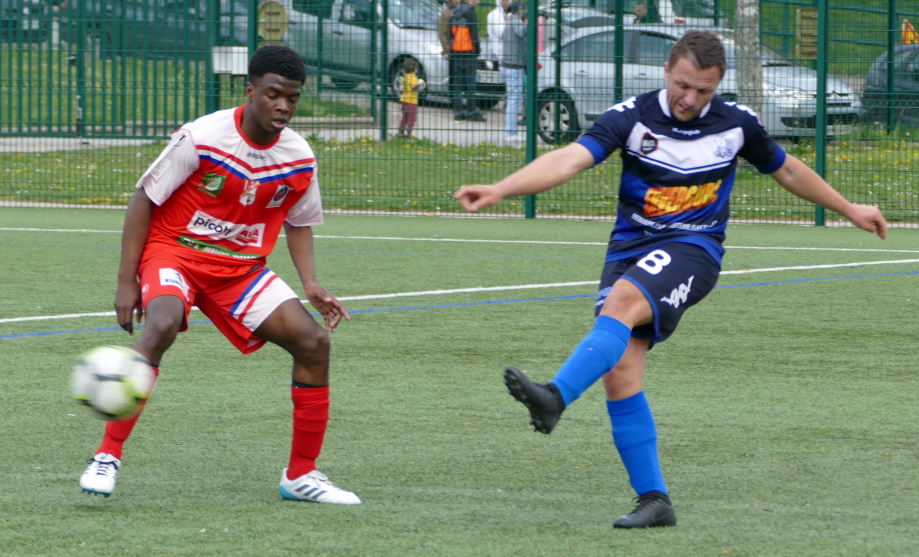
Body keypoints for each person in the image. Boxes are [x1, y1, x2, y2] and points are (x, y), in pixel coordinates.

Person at [454, 30, 887, 528]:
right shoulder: (630, 117)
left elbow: (788, 171)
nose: (689, 99)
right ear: (666, 71)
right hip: (629, 250)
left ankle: (556, 397)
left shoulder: (736, 124)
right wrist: (503, 188)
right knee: (619, 370)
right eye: (683, 85)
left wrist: (850, 208)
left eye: (703, 91)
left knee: (621, 301)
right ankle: (654, 499)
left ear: (717, 85)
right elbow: (571, 157)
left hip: (693, 250)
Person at [78, 45, 361, 506]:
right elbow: (143, 199)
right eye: (273, 94)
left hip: (239, 269)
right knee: (163, 324)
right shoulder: (203, 137)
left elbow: (300, 221)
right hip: (176, 253)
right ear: (250, 91)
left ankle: (301, 475)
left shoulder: (299, 156)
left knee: (314, 342)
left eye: (293, 98)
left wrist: (310, 283)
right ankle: (107, 455)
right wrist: (126, 279)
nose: (284, 106)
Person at [449, 0, 485, 122]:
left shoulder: (455, 11)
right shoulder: (470, 12)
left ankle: (458, 112)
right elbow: (473, 33)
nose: (478, 2)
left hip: (456, 51)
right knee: (470, 84)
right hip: (468, 52)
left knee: (457, 84)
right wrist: (477, 50)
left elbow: (451, 33)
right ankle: (471, 111)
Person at [500, 1, 526, 141]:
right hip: (513, 67)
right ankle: (511, 133)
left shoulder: (510, 22)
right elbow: (522, 32)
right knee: (514, 100)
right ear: (520, 10)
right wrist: (530, 24)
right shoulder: (516, 22)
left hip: (508, 66)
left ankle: (511, 131)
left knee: (513, 99)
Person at [398, 58, 424, 137]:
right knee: (412, 117)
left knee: (405, 117)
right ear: (414, 69)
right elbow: (414, 88)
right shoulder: (413, 78)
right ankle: (409, 133)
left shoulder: (405, 77)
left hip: (404, 100)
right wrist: (419, 84)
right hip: (411, 101)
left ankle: (401, 132)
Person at [487, 0, 512, 66]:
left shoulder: (508, 14)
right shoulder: (494, 15)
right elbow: (501, 33)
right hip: (499, 52)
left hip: (508, 52)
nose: (509, 2)